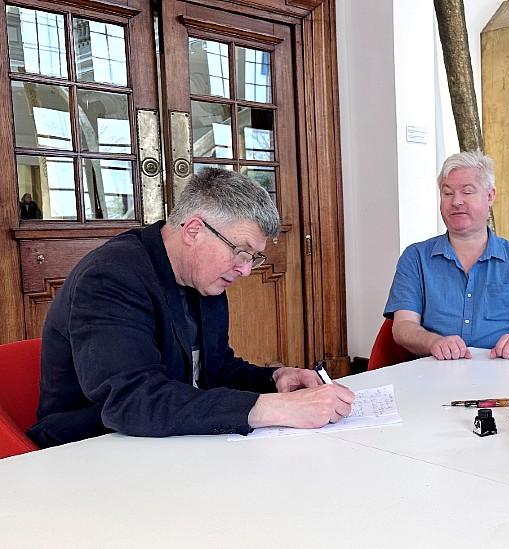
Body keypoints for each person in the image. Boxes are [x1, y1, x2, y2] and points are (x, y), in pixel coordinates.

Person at [28, 168, 355, 447]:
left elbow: (215, 369)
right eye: (241, 252)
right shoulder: (111, 277)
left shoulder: (204, 278)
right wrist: (277, 408)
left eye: (253, 258)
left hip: (166, 442)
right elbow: (131, 401)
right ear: (194, 230)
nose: (245, 270)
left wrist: (275, 379)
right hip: (89, 449)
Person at [384, 150, 509, 360]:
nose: (456, 201)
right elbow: (402, 327)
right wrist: (434, 342)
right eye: (447, 193)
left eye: (467, 191)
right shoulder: (415, 258)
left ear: (490, 196)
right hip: (434, 374)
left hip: (504, 374)